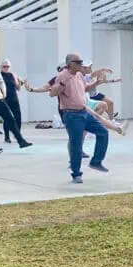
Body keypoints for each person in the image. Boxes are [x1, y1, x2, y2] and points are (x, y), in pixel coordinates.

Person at [50, 53, 110, 183]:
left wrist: (97, 82)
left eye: (81, 62)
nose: (81, 64)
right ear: (69, 64)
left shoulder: (79, 75)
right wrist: (62, 84)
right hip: (71, 114)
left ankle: (96, 162)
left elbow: (85, 89)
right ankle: (76, 174)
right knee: (76, 143)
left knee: (103, 132)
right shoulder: (62, 76)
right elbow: (52, 93)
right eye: (78, 62)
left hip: (83, 112)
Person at [0, 59, 25, 143]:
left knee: (18, 117)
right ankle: (7, 137)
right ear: (1, 67)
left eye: (8, 66)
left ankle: (17, 135)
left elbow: (18, 88)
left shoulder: (13, 75)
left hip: (14, 98)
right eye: (4, 66)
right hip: (5, 99)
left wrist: (20, 82)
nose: (6, 68)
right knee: (7, 118)